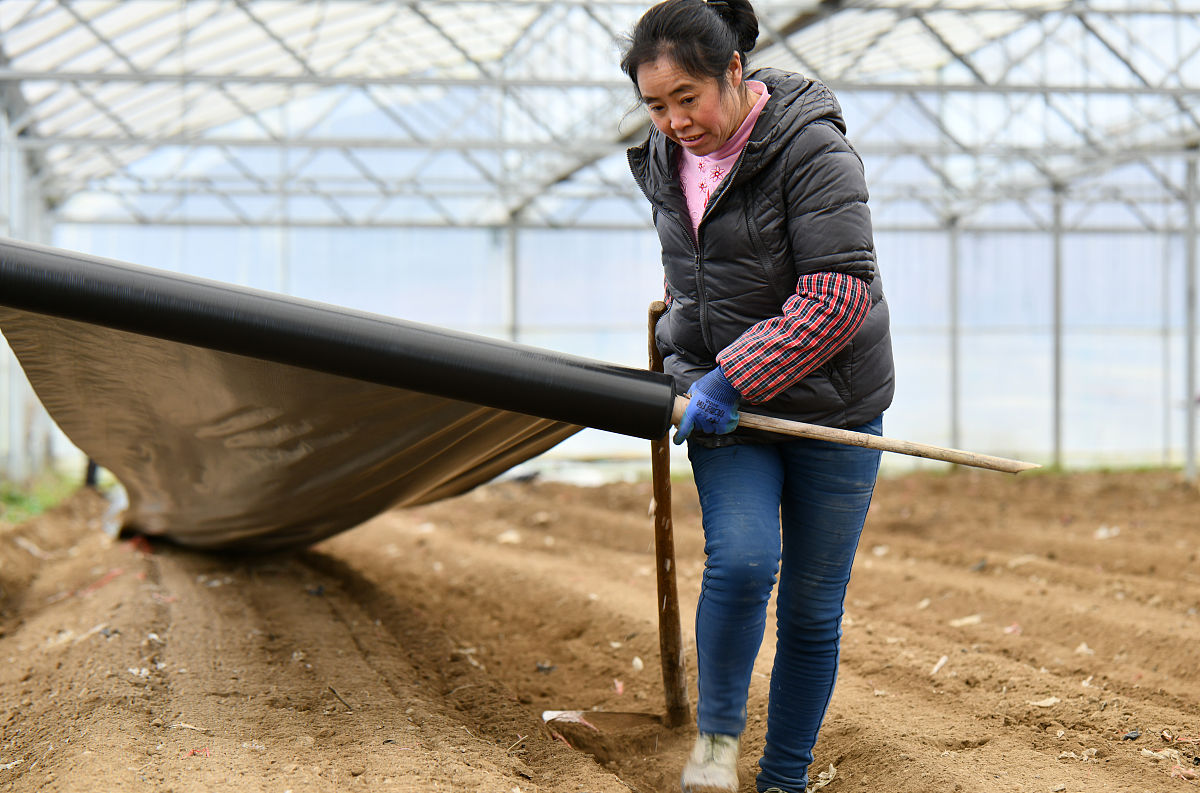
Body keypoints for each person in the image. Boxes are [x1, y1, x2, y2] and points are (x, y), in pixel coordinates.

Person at [621, 1, 895, 792]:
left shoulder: (812, 151)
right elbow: (695, 274)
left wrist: (729, 375)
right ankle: (715, 747)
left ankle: (783, 779)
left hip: (833, 403)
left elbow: (839, 295)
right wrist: (684, 348)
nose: (674, 120)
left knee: (811, 607)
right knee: (741, 564)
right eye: (655, 104)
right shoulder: (663, 158)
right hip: (724, 407)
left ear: (734, 72)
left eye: (687, 98)